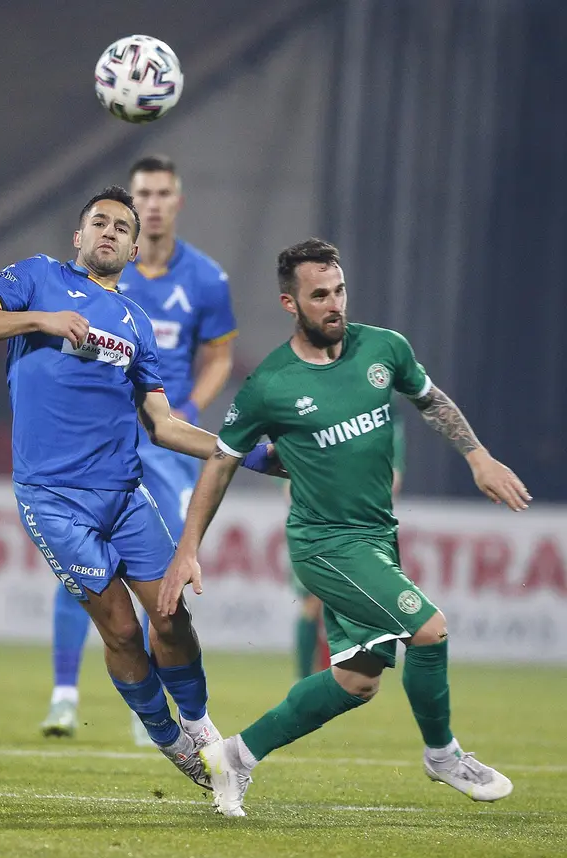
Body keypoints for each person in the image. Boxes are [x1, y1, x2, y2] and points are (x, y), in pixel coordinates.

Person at [158, 238, 531, 816]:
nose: (334, 304)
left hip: (377, 536)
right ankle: (444, 756)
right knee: (429, 630)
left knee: (357, 681)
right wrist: (188, 549)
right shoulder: (270, 385)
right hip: (326, 545)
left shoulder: (384, 348)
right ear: (290, 303)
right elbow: (220, 463)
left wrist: (478, 456)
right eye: (319, 296)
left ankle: (235, 756)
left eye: (339, 291)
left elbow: (431, 400)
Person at [0, 186, 276, 790]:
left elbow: (163, 425)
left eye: (122, 228)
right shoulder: (36, 278)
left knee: (171, 616)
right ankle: (170, 739)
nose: (109, 232)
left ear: (132, 251)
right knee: (121, 630)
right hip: (52, 499)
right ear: (79, 236)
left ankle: (200, 725)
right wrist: (40, 319)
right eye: (99, 222)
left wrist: (248, 454)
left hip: (124, 494)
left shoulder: (136, 324)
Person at [43, 155, 238, 744]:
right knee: (83, 566)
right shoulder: (101, 273)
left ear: (177, 202)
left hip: (165, 436)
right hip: (102, 436)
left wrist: (191, 408)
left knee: (162, 576)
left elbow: (220, 356)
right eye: (142, 194)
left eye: (161, 194)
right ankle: (63, 694)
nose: (151, 204)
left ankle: (149, 704)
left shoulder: (206, 279)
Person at [291, 409, 405, 679]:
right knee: (313, 602)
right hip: (317, 525)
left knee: (351, 604)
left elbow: (393, 478)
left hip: (361, 526)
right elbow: (289, 481)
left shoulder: (384, 420)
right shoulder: (312, 417)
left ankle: (340, 675)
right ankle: (305, 678)